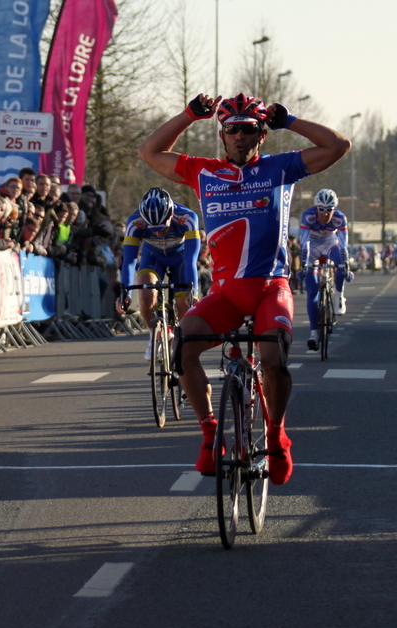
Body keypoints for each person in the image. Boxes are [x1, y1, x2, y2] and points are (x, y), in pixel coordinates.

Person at [139, 92, 350, 486]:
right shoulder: (202, 172)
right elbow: (150, 152)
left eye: (249, 130)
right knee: (181, 347)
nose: (239, 137)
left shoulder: (280, 169)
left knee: (272, 360)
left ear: (261, 136)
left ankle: (275, 435)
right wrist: (188, 115)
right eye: (232, 130)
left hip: (271, 288)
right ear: (222, 135)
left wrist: (289, 121)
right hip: (226, 292)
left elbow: (338, 146)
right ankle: (209, 436)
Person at [117, 188, 201, 358]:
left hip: (181, 260)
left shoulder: (188, 218)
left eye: (162, 228)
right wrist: (125, 292)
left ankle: (182, 345)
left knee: (184, 304)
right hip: (153, 258)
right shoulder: (135, 222)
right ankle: (153, 336)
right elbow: (129, 261)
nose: (157, 232)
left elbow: (192, 260)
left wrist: (194, 292)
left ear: (171, 214)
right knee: (145, 294)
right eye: (153, 228)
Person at [299, 188, 350, 350]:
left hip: (330, 243)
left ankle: (339, 297)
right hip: (312, 247)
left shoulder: (340, 218)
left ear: (334, 210)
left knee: (341, 261)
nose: (325, 214)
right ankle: (314, 333)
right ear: (316, 208)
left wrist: (345, 264)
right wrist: (304, 264)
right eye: (321, 209)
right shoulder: (308, 216)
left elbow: (343, 245)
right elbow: (304, 243)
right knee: (312, 289)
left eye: (329, 210)